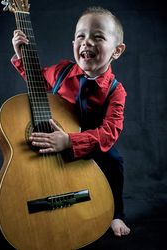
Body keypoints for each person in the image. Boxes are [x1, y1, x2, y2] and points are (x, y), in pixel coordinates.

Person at [11, 6, 131, 237]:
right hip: (56, 136)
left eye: (98, 37)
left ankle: (117, 214)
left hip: (88, 142)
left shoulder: (116, 91)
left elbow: (109, 132)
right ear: (73, 43)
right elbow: (37, 81)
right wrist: (20, 55)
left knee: (114, 162)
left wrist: (69, 141)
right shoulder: (61, 71)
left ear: (117, 51)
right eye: (80, 36)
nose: (86, 42)